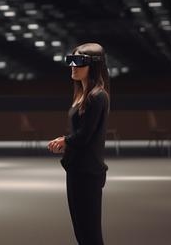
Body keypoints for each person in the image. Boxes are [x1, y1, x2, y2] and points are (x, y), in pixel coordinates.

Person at [48, 43, 110, 245]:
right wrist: (65, 141)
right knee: (81, 231)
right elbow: (80, 133)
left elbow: (85, 136)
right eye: (70, 60)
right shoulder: (83, 95)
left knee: (90, 233)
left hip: (87, 171)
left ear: (94, 65)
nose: (73, 66)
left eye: (79, 61)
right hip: (77, 168)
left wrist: (65, 141)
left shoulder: (97, 96)